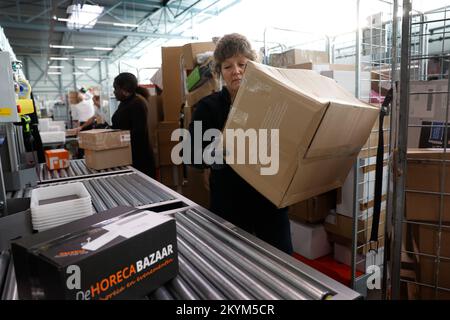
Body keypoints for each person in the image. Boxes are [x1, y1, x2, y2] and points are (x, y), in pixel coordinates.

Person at [188, 33, 293, 255]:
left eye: (242, 64)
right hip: (229, 200)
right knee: (232, 263)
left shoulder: (274, 102)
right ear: (219, 72)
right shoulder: (208, 108)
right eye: (227, 66)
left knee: (280, 261)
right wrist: (222, 148)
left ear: (253, 66)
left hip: (269, 199)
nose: (236, 71)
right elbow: (193, 157)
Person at [111, 72, 156, 178]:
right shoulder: (126, 102)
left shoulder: (137, 103)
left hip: (139, 161)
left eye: (115, 88)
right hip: (128, 157)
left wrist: (114, 136)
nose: (114, 92)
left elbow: (138, 132)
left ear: (124, 90)